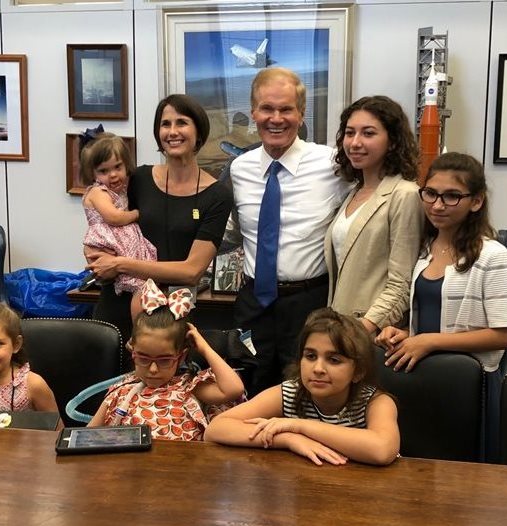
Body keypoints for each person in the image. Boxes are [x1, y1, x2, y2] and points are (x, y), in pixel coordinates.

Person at [374, 152, 507, 461]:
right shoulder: (426, 250)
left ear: (476, 201)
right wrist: (402, 334)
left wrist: (430, 342)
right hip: (422, 378)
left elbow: (506, 334)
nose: (438, 205)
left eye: (452, 197)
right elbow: (430, 318)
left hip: (467, 386)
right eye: (431, 194)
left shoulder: (493, 256)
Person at [227, 67, 352, 396]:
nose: (276, 118)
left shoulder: (333, 165)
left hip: (309, 303)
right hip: (254, 303)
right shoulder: (239, 169)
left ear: (301, 113)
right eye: (267, 108)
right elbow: (229, 232)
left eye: (286, 109)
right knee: (248, 387)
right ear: (254, 111)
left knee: (306, 392)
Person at [87, 94, 234, 341]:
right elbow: (102, 221)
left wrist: (119, 264)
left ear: (199, 131)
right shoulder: (138, 179)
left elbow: (191, 271)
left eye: (182, 122)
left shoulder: (217, 195)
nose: (172, 131)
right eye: (165, 124)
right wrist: (98, 257)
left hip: (172, 314)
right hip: (116, 308)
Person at [204, 308, 399, 465]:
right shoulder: (290, 392)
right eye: (311, 356)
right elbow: (216, 429)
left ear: (358, 371)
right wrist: (289, 439)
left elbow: (382, 450)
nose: (318, 368)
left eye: (334, 360)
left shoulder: (376, 402)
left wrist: (299, 425)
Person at [88, 280, 246, 440]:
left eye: (164, 360)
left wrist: (204, 348)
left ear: (181, 356)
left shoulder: (190, 388)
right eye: (143, 358)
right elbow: (87, 436)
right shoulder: (122, 391)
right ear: (132, 351)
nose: (153, 369)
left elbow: (233, 389)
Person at [325, 95, 425, 334]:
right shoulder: (353, 192)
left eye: (368, 133)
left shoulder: (405, 194)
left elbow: (401, 284)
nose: (355, 143)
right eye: (350, 133)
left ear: (392, 141)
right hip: (341, 327)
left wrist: (364, 328)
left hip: (373, 332)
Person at [80, 131, 157, 320]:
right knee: (137, 282)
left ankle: (141, 325)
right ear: (92, 174)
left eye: (117, 167)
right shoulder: (98, 191)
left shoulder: (123, 188)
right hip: (109, 240)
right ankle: (138, 327)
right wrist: (136, 214)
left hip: (122, 240)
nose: (113, 175)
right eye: (103, 171)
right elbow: (113, 217)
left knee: (142, 282)